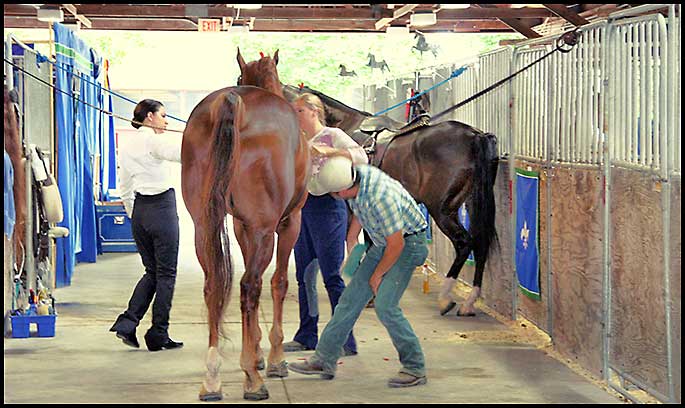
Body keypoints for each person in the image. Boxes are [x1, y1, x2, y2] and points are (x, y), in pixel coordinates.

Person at [288, 156, 430, 388]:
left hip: (408, 244)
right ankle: (324, 359)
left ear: (343, 191)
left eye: (332, 193)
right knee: (349, 301)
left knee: (386, 306)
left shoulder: (381, 197)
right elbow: (360, 211)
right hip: (382, 243)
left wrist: (377, 275)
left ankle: (415, 367)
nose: (331, 196)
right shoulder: (355, 178)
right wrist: (351, 238)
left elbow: (397, 245)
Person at [282, 93, 368, 356]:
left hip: (327, 208)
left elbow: (361, 156)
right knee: (304, 275)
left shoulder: (333, 134)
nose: (294, 116)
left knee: (332, 275)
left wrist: (331, 152)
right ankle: (307, 334)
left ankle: (345, 340)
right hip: (302, 207)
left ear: (313, 112)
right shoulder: (295, 140)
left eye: (298, 111)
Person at [109, 99, 184, 352]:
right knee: (166, 275)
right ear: (150, 117)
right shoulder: (153, 140)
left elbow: (125, 187)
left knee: (152, 272)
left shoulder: (127, 145)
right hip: (161, 209)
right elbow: (182, 155)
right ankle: (158, 333)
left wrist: (136, 215)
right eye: (163, 115)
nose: (166, 121)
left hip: (140, 211)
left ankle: (128, 322)